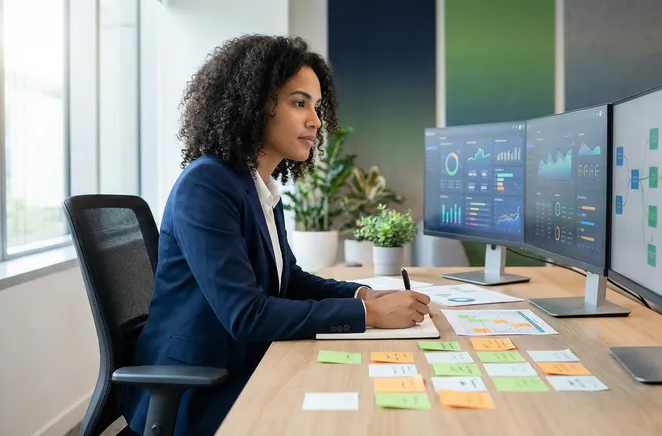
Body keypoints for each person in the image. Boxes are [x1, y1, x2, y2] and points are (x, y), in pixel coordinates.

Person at [119, 34, 431, 435]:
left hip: (247, 362)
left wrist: (362, 295)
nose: (315, 121)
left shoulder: (258, 186)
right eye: (300, 103)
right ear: (256, 104)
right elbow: (247, 315)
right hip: (200, 387)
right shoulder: (206, 185)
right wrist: (369, 316)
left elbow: (289, 280)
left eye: (317, 106)